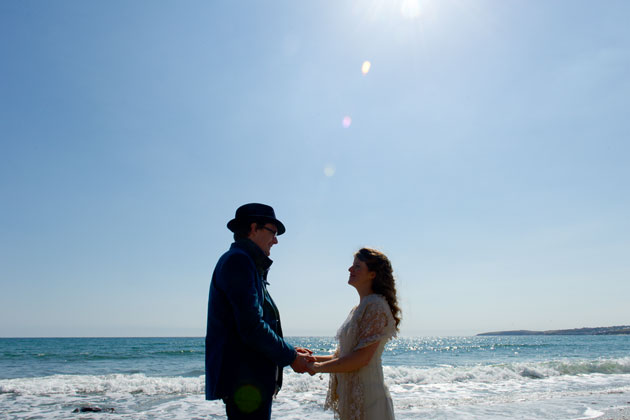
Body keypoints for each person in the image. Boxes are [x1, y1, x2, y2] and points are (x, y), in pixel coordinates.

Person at [205, 203, 314, 420]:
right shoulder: (239, 262)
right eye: (272, 232)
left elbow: (254, 323)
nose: (276, 240)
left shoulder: (247, 263)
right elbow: (251, 327)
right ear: (254, 228)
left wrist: (288, 349)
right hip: (246, 381)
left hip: (248, 381)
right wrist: (291, 356)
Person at [310, 248, 401, 420]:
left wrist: (318, 368)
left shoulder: (375, 305)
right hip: (353, 395)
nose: (350, 270)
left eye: (357, 267)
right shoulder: (357, 309)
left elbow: (362, 358)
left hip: (368, 400)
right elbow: (342, 356)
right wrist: (310, 359)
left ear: (372, 274)